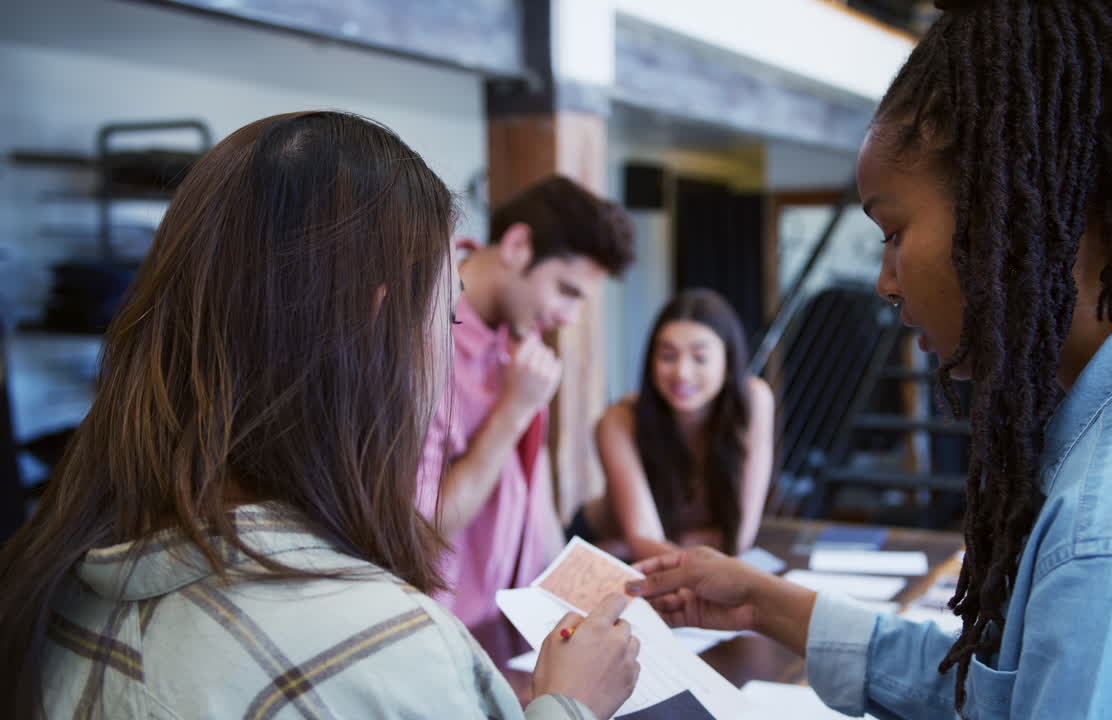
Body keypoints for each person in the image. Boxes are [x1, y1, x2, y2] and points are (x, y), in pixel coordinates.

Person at [627, 0, 1112, 717]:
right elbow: (1005, 696)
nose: (884, 281)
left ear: (1011, 197)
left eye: (893, 230)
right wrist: (762, 601)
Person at [0, 111, 639, 720]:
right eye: (444, 316)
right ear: (379, 323)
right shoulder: (384, 650)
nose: (446, 345)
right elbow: (425, 530)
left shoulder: (51, 584)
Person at [416, 175, 634, 628]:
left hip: (512, 622)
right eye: (566, 291)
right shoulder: (421, 336)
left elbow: (533, 487)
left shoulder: (522, 331)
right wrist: (514, 411)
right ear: (517, 246)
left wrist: (578, 605)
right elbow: (423, 532)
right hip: (444, 629)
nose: (567, 317)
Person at [571, 288, 773, 561]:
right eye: (668, 356)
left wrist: (626, 546)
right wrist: (630, 547)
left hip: (640, 553)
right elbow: (644, 541)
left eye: (700, 358)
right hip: (603, 552)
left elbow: (738, 538)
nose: (682, 372)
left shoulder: (754, 401)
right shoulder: (618, 420)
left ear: (728, 363)